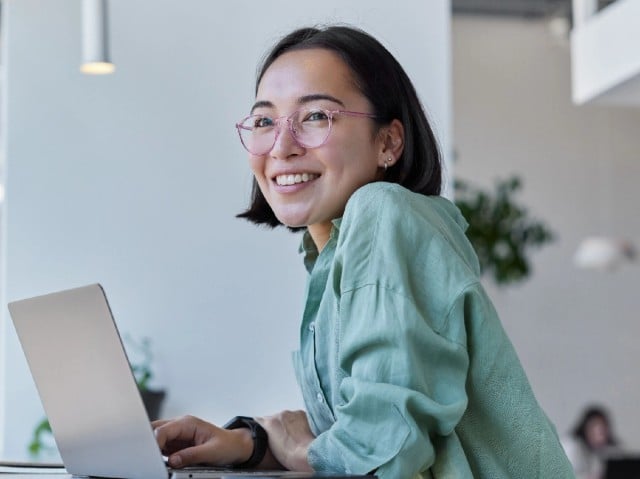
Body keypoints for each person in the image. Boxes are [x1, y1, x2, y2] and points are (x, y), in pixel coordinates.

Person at [152, 25, 574, 478]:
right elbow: (364, 437)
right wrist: (249, 443)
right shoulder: (331, 255)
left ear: (388, 142)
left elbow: (383, 453)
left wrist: (299, 452)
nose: (282, 146)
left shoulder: (383, 213)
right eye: (264, 121)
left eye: (315, 116)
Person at [562, 405, 620, 479]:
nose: (601, 438)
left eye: (603, 432)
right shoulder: (570, 447)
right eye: (598, 432)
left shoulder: (595, 453)